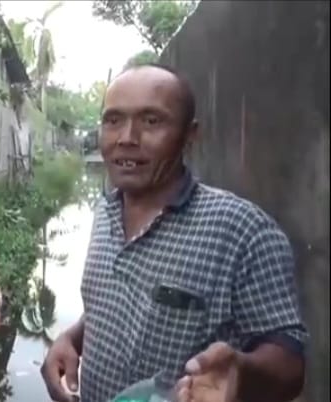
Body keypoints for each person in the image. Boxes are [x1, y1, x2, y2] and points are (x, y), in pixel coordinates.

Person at [40, 64, 307, 402]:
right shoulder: (105, 211)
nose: (126, 138)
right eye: (113, 120)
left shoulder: (243, 231)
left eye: (151, 121)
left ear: (189, 135)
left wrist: (243, 374)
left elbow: (290, 364)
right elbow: (112, 304)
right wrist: (71, 339)